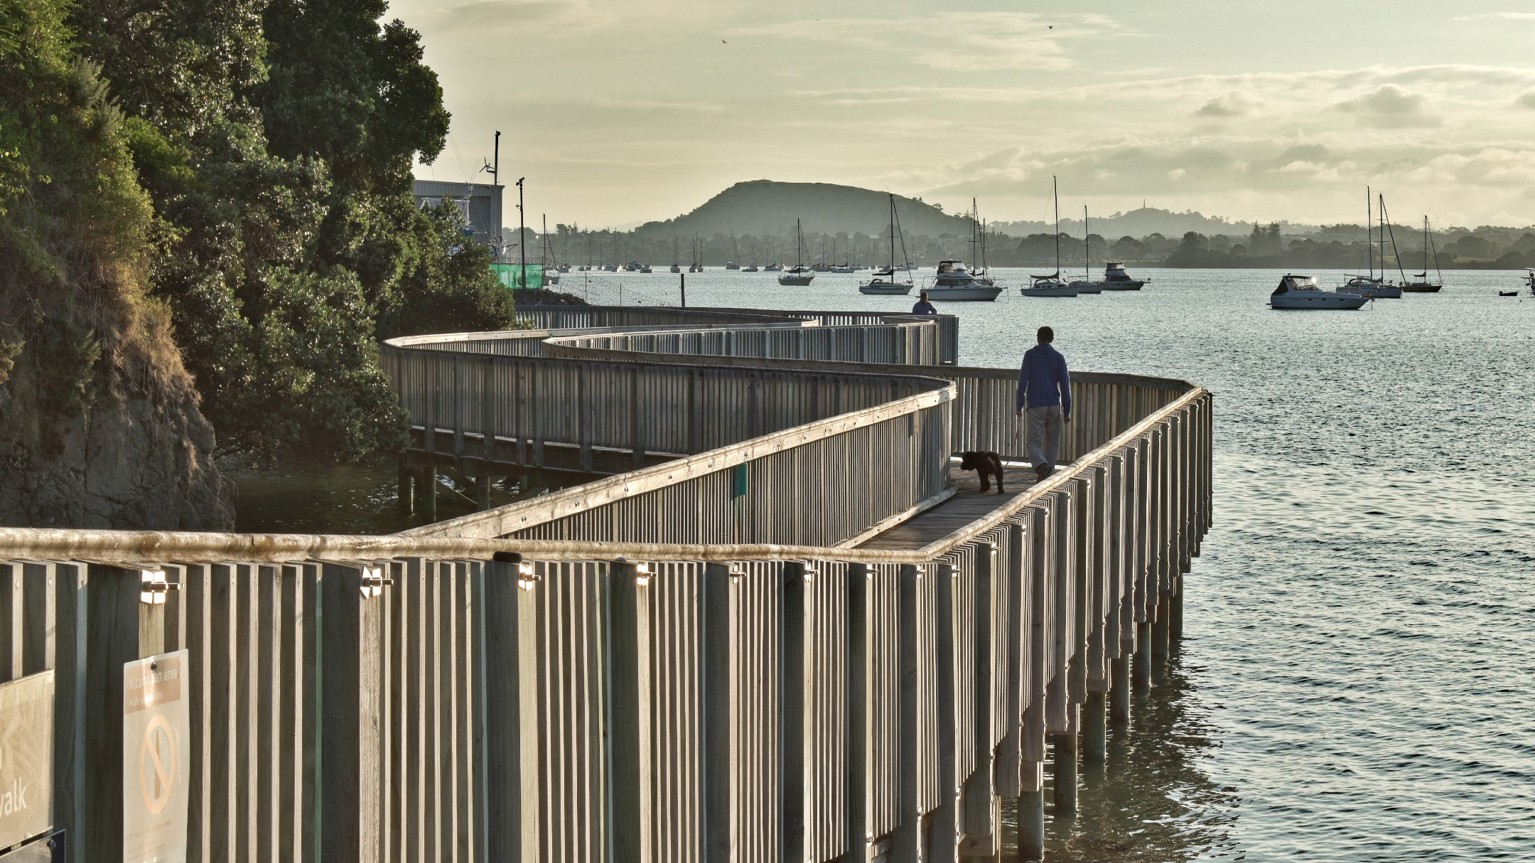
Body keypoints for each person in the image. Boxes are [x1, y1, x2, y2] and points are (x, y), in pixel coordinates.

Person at [1015, 325, 1072, 482]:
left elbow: (1022, 382)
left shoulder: (1030, 355)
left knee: (1033, 442)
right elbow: (1065, 385)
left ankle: (1041, 465)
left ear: (1037, 338)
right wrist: (1067, 410)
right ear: (1052, 339)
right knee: (1053, 443)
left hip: (1036, 405)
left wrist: (1018, 405)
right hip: (1054, 404)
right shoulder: (1059, 357)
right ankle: (1048, 477)